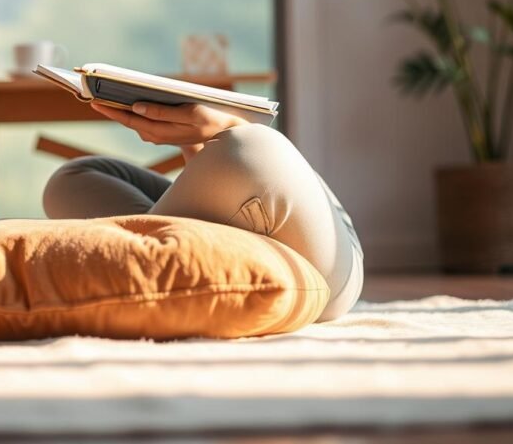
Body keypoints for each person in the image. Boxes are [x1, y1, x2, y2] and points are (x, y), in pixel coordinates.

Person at [42, 101, 363, 321]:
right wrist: (196, 146)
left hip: (331, 263)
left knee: (251, 142)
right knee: (72, 178)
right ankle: (164, 257)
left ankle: (155, 259)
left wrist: (229, 130)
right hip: (269, 209)